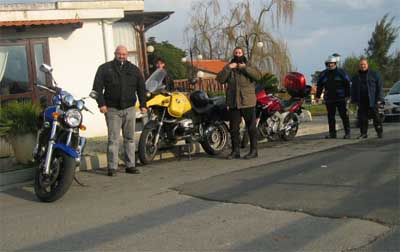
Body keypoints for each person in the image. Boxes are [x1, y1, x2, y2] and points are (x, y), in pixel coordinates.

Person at [92, 45, 147, 176]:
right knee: (113, 139)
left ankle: (130, 165)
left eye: (124, 54)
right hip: (112, 109)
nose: (121, 56)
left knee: (130, 138)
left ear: (127, 55)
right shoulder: (105, 68)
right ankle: (112, 167)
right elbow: (97, 88)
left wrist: (143, 104)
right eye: (119, 53)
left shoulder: (134, 70)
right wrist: (101, 104)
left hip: (129, 109)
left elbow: (141, 88)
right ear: (115, 53)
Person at [216, 47, 262, 159]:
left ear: (243, 54)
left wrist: (245, 68)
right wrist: (228, 68)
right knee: (234, 128)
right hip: (233, 102)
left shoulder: (249, 64)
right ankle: (235, 151)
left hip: (247, 101)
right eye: (236, 53)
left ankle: (254, 151)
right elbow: (220, 79)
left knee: (251, 127)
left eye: (239, 52)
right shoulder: (230, 66)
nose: (237, 54)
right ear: (233, 54)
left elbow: (258, 76)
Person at [316, 55, 351, 139]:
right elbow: (319, 86)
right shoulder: (323, 74)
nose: (330, 65)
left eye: (332, 63)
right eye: (328, 63)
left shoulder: (341, 72)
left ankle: (347, 133)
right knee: (331, 117)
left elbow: (348, 84)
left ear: (335, 63)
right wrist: (317, 96)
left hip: (341, 98)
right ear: (326, 64)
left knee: (344, 116)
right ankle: (332, 133)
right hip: (329, 99)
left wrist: (348, 96)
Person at [351, 58, 384, 139]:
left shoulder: (375, 74)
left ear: (367, 65)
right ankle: (363, 134)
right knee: (362, 118)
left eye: (364, 64)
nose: (363, 66)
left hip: (373, 100)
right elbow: (353, 89)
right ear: (359, 66)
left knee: (376, 118)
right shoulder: (355, 77)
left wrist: (379, 99)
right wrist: (354, 100)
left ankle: (379, 132)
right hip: (361, 101)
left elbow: (379, 88)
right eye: (361, 64)